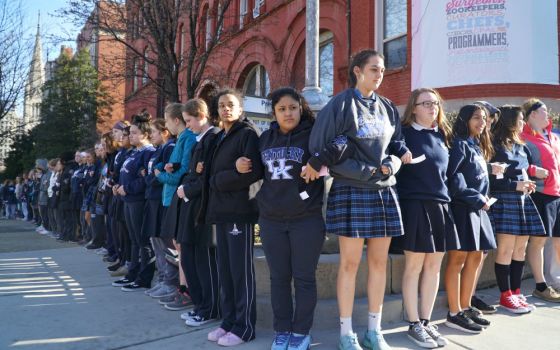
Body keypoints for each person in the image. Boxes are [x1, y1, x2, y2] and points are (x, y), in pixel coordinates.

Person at [307, 49, 411, 350]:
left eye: (382, 70)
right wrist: (366, 171)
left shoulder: (388, 107)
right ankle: (346, 333)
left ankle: (374, 331)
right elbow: (319, 150)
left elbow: (397, 145)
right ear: (357, 71)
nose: (379, 74)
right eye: (374, 69)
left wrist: (395, 163)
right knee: (350, 264)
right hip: (352, 190)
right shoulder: (339, 105)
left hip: (384, 191)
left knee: (379, 263)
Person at [236, 87, 330, 349]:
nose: (288, 113)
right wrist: (240, 165)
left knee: (304, 278)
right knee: (278, 278)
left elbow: (337, 148)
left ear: (301, 108)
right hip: (271, 220)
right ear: (274, 113)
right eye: (282, 109)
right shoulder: (265, 138)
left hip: (306, 220)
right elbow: (253, 171)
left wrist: (319, 159)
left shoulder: (313, 135)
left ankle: (301, 332)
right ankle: (283, 330)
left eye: (292, 107)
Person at [396, 88, 457, 349]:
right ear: (413, 108)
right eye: (426, 103)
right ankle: (413, 324)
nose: (433, 107)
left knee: (434, 267)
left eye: (435, 103)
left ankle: (426, 320)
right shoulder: (404, 135)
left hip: (440, 205)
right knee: (414, 267)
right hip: (415, 205)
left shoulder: (441, 136)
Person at [205, 89, 263, 347]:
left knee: (240, 272)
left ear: (240, 109)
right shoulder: (221, 137)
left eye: (231, 105)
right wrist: (221, 177)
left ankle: (245, 327)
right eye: (221, 105)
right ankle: (229, 322)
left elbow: (253, 172)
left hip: (240, 212)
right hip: (221, 212)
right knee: (226, 272)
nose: (226, 109)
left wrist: (218, 179)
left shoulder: (248, 134)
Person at [444, 104, 499, 334]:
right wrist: (477, 198)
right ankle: (454, 312)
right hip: (463, 209)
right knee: (458, 259)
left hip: (479, 209)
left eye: (484, 118)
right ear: (465, 119)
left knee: (476, 257)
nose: (481, 122)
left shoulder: (477, 145)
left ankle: (466, 306)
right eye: (476, 117)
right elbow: (454, 180)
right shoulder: (458, 144)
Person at [489, 105, 547, 313]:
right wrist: (515, 185)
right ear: (509, 121)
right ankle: (505, 295)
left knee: (520, 250)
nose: (523, 123)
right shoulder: (495, 144)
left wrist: (528, 182)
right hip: (505, 200)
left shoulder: (522, 146)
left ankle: (516, 292)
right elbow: (492, 180)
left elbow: (523, 171)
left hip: (523, 200)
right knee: (505, 250)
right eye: (520, 119)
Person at [176, 98, 221, 327]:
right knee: (190, 259)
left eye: (189, 120)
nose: (188, 125)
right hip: (192, 207)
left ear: (202, 115)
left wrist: (187, 188)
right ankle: (201, 305)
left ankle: (209, 308)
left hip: (203, 210)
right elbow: (196, 172)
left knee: (204, 264)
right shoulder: (200, 140)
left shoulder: (213, 139)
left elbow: (205, 177)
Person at [157, 103, 196, 311]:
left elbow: (183, 172)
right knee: (174, 244)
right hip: (170, 197)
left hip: (178, 197)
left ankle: (186, 289)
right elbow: (178, 167)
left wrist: (161, 175)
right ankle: (181, 287)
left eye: (167, 120)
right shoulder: (180, 139)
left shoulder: (188, 138)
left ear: (176, 120)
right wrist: (168, 168)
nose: (166, 126)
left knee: (179, 246)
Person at [520, 98, 560, 302]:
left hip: (557, 194)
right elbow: (518, 165)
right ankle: (541, 285)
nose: (548, 114)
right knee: (539, 241)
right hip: (540, 194)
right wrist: (535, 170)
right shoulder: (524, 137)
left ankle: (556, 281)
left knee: (557, 241)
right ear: (532, 114)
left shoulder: (553, 136)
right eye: (544, 110)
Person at [112, 113, 156, 291]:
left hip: (138, 201)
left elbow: (146, 179)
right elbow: (128, 175)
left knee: (142, 241)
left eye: (134, 133)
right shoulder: (134, 153)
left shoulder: (148, 153)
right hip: (128, 200)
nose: (130, 136)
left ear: (144, 134)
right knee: (134, 240)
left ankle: (144, 278)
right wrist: (118, 186)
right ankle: (133, 274)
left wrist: (127, 188)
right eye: (130, 133)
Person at [469, 101, 502, 314]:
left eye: (489, 120)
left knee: (483, 251)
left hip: (486, 201)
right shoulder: (466, 141)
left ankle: (470, 294)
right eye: (484, 118)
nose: (487, 123)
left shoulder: (484, 140)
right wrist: (491, 168)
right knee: (473, 252)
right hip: (470, 202)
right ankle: (467, 296)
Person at [142, 118, 177, 299]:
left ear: (164, 132)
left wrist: (151, 177)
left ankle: (170, 282)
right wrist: (151, 176)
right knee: (155, 240)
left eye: (154, 132)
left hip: (161, 199)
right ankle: (163, 278)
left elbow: (159, 174)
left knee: (165, 242)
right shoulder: (159, 150)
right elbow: (153, 172)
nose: (150, 135)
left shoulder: (170, 148)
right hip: (153, 199)